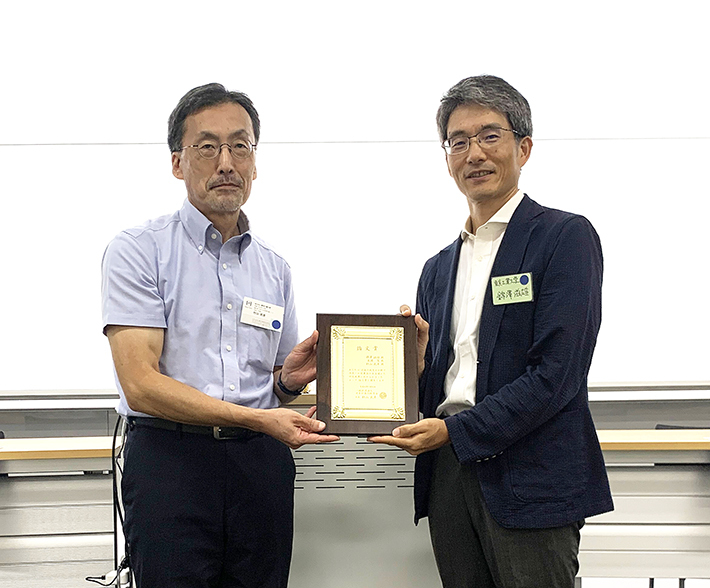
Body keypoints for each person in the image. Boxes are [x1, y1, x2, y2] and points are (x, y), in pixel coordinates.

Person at [370, 75, 613, 587]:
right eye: (458, 141)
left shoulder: (563, 237)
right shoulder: (438, 267)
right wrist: (416, 370)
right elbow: (451, 377)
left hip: (532, 476)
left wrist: (455, 431)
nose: (473, 153)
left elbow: (555, 376)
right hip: (450, 478)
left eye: (489, 136)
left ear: (523, 148)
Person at [101, 83, 338, 588]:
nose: (226, 162)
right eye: (207, 147)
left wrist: (288, 384)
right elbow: (141, 383)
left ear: (255, 162)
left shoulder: (275, 268)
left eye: (241, 146)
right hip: (171, 463)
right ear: (177, 163)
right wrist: (258, 416)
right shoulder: (138, 251)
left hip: (260, 467)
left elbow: (266, 385)